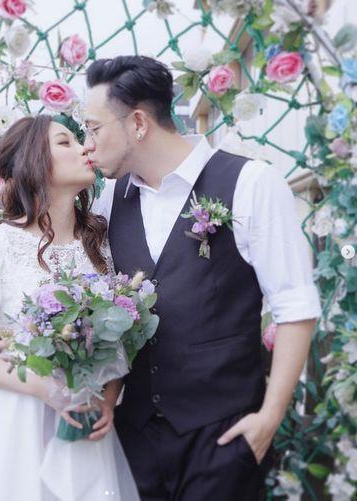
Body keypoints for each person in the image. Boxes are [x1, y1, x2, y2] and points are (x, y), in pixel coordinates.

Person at [77, 55, 322, 500]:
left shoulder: (251, 182)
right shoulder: (109, 199)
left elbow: (295, 306)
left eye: (93, 128)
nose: (87, 144)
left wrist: (269, 418)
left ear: (137, 123)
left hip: (223, 437)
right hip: (135, 438)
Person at [0, 115, 139, 501]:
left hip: (85, 420)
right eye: (65, 142)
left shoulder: (98, 245)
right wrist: (46, 388)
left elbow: (116, 337)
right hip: (17, 419)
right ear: (35, 161)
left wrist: (108, 398)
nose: (84, 148)